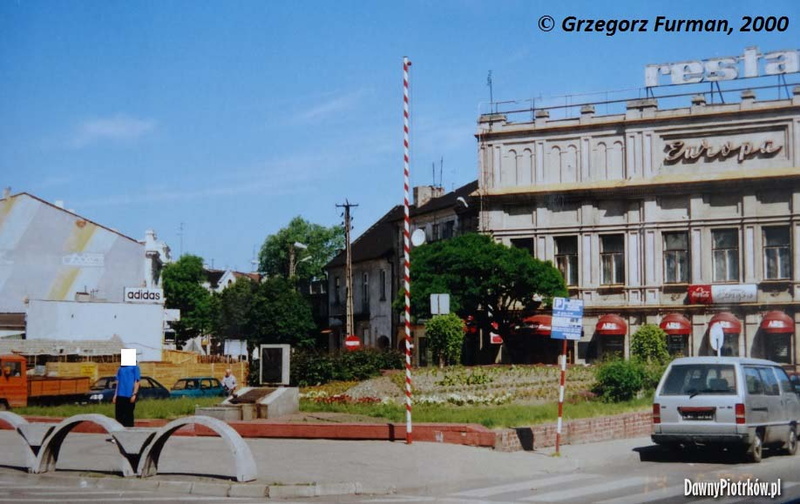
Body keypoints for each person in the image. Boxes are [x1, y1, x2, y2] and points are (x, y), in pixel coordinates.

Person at [113, 361, 141, 427]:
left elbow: (137, 381)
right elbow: (118, 382)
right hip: (120, 395)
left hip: (129, 395)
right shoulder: (120, 368)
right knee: (119, 416)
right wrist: (115, 395)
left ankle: (129, 431)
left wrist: (134, 394)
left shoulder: (135, 367)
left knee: (128, 416)